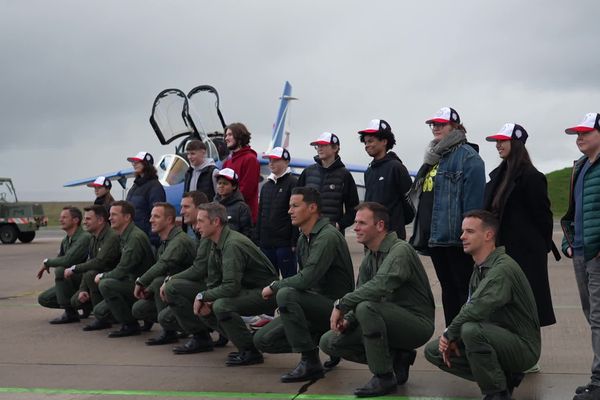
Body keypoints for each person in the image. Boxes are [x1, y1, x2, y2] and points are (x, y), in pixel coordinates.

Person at [320, 202, 435, 397]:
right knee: (330, 342)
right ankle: (397, 358)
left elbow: (380, 286)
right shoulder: (370, 256)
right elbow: (362, 292)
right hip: (383, 319)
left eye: (362, 223)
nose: (355, 227)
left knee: (367, 307)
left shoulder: (400, 250)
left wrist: (342, 303)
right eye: (355, 222)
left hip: (416, 324)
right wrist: (348, 319)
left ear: (380, 226)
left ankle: (383, 377)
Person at [424, 210, 540, 400]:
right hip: (495, 337)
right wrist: (450, 337)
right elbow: (471, 306)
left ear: (488, 235)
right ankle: (503, 378)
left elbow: (477, 308)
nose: (462, 236)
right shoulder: (480, 267)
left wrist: (450, 333)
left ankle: (497, 393)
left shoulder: (502, 268)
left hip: (522, 346)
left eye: (469, 231)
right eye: (462, 231)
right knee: (435, 351)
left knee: (470, 330)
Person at [254, 187, 355, 383]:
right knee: (262, 340)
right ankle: (323, 342)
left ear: (312, 208)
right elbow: (304, 280)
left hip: (336, 307)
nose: (289, 211)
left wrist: (275, 286)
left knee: (285, 294)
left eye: (295, 206)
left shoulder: (327, 236)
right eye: (290, 206)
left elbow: (306, 278)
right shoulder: (303, 237)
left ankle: (310, 361)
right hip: (313, 304)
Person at [409, 107, 485, 326]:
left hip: (456, 239)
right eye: (433, 125)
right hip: (436, 238)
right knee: (448, 289)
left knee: (463, 290)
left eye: (441, 124)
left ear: (455, 127)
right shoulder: (434, 157)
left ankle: (465, 339)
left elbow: (474, 207)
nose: (435, 128)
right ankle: (452, 338)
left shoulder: (469, 158)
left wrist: (469, 235)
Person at [484, 123, 556, 328]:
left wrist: (540, 247)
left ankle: (527, 355)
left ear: (516, 143)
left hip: (525, 254)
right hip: (499, 251)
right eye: (496, 141)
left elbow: (544, 217)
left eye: (502, 141)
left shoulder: (531, 177)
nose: (498, 145)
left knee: (526, 309)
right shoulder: (497, 176)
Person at [192, 202, 279, 366]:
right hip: (249, 290)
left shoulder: (232, 244)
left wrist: (203, 295)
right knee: (206, 307)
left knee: (222, 305)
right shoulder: (216, 242)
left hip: (265, 293)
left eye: (201, 221)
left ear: (216, 222)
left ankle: (250, 350)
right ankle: (244, 343)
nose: (196, 227)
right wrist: (206, 298)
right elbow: (214, 280)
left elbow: (231, 286)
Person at [562, 112, 600, 400]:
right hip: (581, 251)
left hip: (597, 251)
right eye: (577, 133)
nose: (580, 137)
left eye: (586, 132)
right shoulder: (580, 166)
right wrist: (568, 241)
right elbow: (573, 211)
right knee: (592, 315)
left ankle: (599, 382)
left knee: (599, 317)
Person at [131, 203, 196, 345]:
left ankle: (180, 329)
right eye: (151, 216)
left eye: (156, 216)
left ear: (169, 220)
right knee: (139, 309)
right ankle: (179, 326)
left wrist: (140, 282)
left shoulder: (179, 241)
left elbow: (163, 265)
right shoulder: (165, 242)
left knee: (159, 282)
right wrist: (147, 289)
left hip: (187, 294)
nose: (150, 220)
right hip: (173, 291)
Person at [94, 201, 155, 338]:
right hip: (134, 283)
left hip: (142, 286)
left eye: (114, 215)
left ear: (127, 217)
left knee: (106, 284)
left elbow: (122, 270)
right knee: (99, 311)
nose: (110, 218)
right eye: (110, 215)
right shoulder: (125, 235)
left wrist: (103, 276)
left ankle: (130, 325)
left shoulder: (134, 238)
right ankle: (144, 317)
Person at [66, 205, 121, 331]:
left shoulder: (111, 237)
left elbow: (99, 262)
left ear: (100, 220)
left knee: (91, 274)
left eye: (88, 219)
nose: (84, 222)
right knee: (74, 301)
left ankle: (102, 318)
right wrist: (83, 289)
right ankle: (93, 309)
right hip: (98, 277)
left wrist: (74, 268)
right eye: (85, 219)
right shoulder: (93, 237)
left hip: (112, 277)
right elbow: (90, 261)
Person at [358, 119, 413, 239]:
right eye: (365, 142)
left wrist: (397, 222)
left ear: (384, 141)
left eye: (371, 141)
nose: (367, 145)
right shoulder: (369, 171)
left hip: (392, 236)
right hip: (371, 235)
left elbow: (410, 201)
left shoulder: (396, 167)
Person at [37, 206, 92, 324]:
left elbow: (67, 260)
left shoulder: (84, 238)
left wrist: (47, 262)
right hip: (72, 280)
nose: (61, 220)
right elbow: (60, 259)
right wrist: (52, 263)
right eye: (60, 217)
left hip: (85, 280)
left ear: (76, 220)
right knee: (44, 299)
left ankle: (70, 312)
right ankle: (84, 305)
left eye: (65, 217)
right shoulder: (66, 240)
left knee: (61, 270)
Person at [297, 132, 359, 234]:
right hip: (306, 232)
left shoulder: (345, 175)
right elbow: (296, 201)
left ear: (335, 148)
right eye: (318, 146)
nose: (319, 148)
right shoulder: (307, 172)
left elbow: (353, 208)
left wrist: (339, 225)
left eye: (324, 145)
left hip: (331, 235)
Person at [257, 147, 298, 278]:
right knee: (269, 280)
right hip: (266, 244)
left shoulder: (293, 183)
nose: (271, 163)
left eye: (275, 160)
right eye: (270, 160)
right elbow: (260, 214)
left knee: (289, 280)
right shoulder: (266, 186)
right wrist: (258, 240)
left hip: (285, 244)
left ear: (286, 162)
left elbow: (297, 214)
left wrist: (294, 241)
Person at [126, 151, 166, 247]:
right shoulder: (135, 186)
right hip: (133, 237)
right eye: (133, 162)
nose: (134, 164)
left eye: (138, 162)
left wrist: (153, 240)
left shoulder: (155, 187)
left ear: (146, 164)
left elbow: (158, 214)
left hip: (146, 240)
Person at [222, 123, 260, 223]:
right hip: (227, 216)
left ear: (239, 136)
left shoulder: (250, 159)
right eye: (226, 135)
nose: (226, 138)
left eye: (230, 135)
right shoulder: (227, 162)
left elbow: (247, 190)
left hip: (244, 218)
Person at [214, 168, 253, 238]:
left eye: (225, 183)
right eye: (219, 183)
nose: (221, 186)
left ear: (234, 186)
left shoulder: (242, 208)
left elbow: (247, 233)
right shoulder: (213, 205)